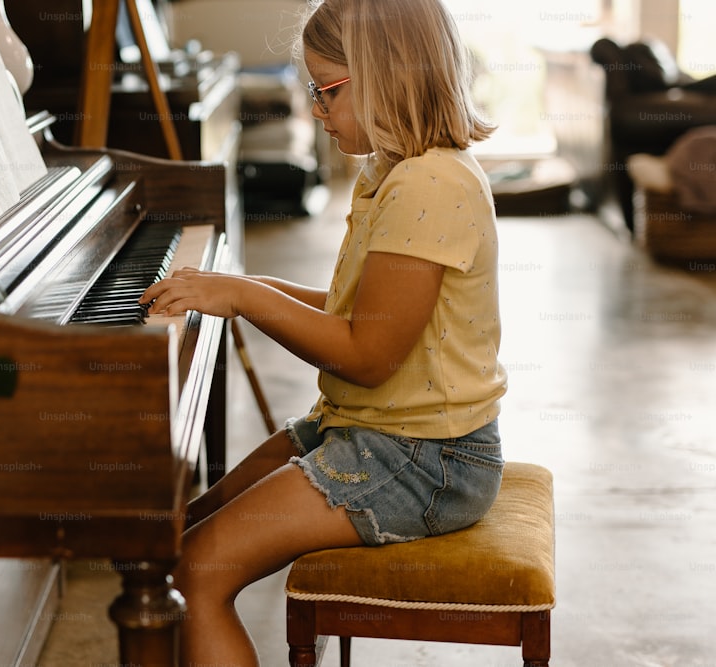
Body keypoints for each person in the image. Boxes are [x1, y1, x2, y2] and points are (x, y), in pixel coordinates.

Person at [138, 0, 507, 663]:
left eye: (326, 89)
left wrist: (245, 295)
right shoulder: (396, 169)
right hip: (379, 433)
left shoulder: (430, 184)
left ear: (390, 74)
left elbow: (366, 353)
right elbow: (356, 310)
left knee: (198, 570)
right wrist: (241, 288)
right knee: (186, 526)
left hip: (427, 460)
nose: (314, 108)